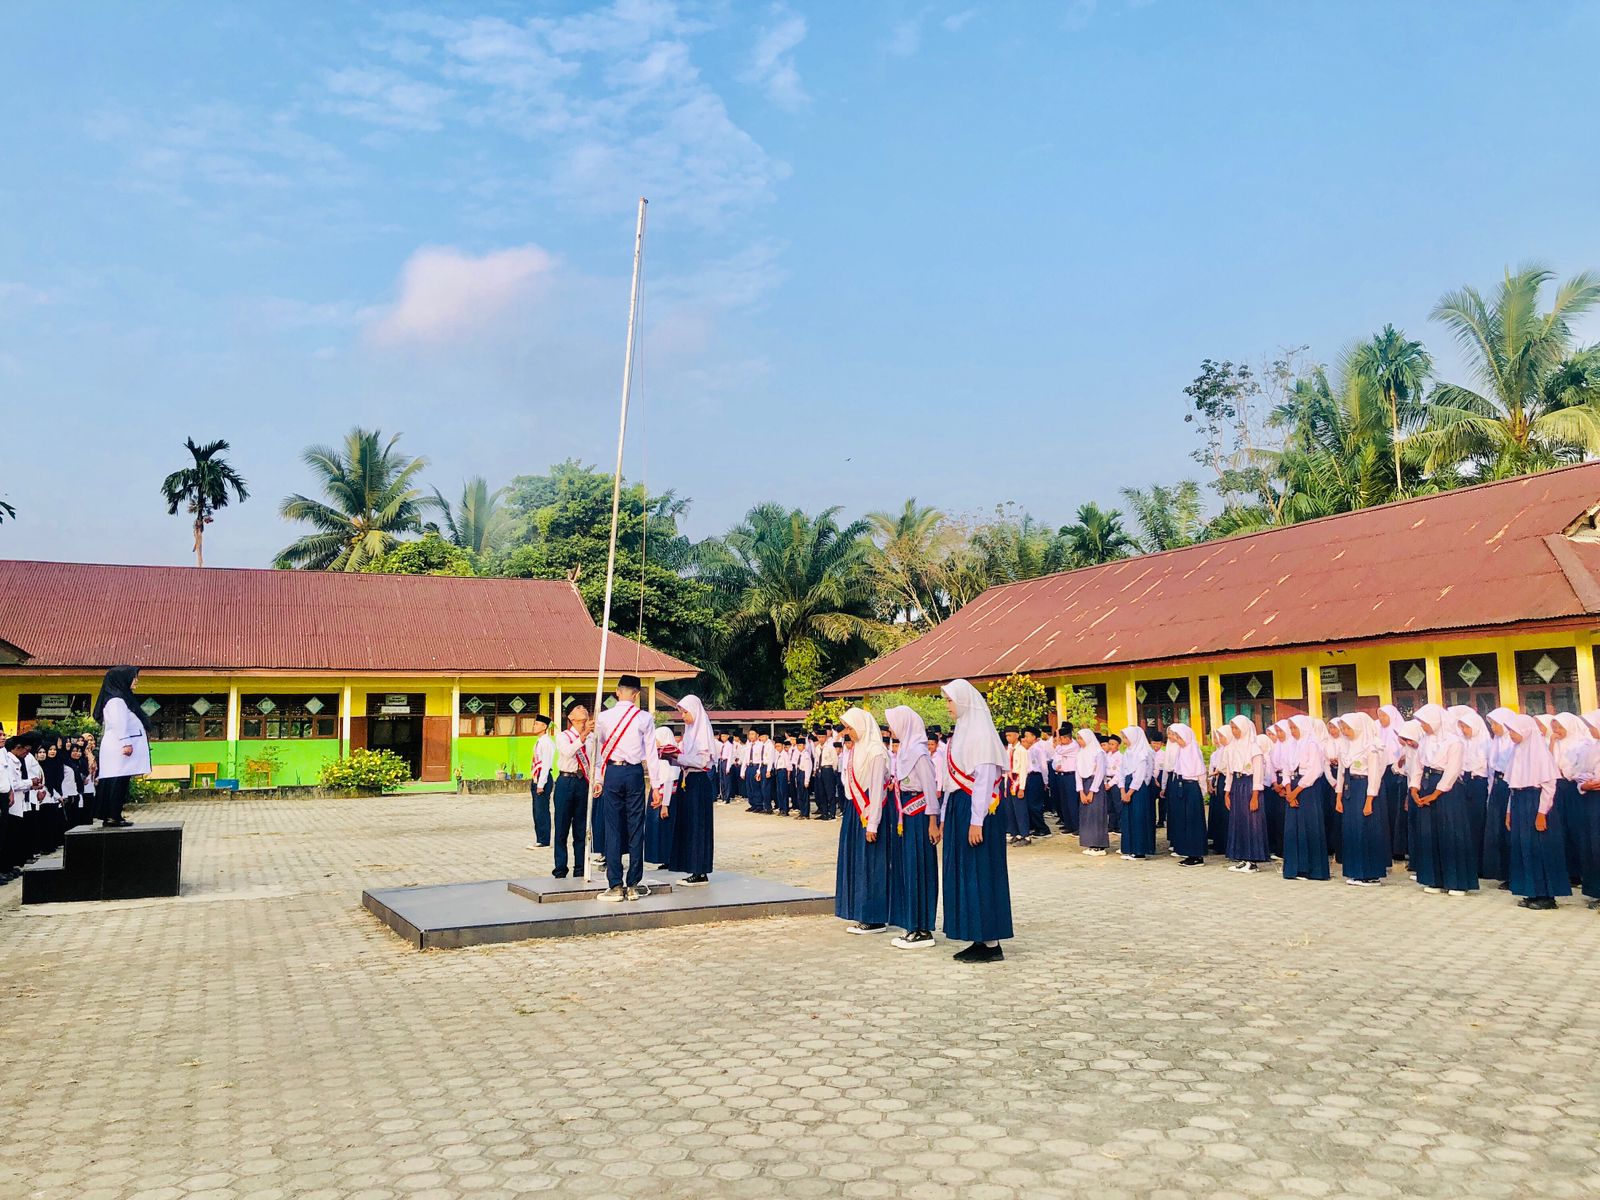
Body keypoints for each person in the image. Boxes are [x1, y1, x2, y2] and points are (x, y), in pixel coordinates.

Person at [939, 679, 1012, 963]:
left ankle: (991, 942)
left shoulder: (982, 735)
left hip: (977, 810)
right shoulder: (960, 734)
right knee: (964, 871)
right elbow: (949, 782)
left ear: (963, 701)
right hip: (960, 806)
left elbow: (982, 783)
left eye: (949, 700)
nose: (946, 707)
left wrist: (976, 821)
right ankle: (975, 934)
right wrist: (947, 815)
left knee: (981, 871)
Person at [590, 675, 658, 902]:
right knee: (636, 826)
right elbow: (652, 754)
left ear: (618, 692)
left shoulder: (604, 717)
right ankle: (633, 885)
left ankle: (615, 884)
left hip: (613, 772)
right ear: (637, 695)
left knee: (613, 827)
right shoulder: (645, 718)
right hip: (635, 773)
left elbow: (598, 752)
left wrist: (598, 779)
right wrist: (656, 786)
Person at [1497, 710, 1568, 910]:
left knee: (1540, 848)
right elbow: (1514, 785)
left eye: (1513, 731)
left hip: (1535, 803)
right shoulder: (1517, 752)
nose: (1511, 735)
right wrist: (1510, 812)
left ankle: (1546, 896)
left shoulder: (1540, 753)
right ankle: (1531, 891)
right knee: (1523, 847)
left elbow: (1548, 786)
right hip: (1520, 802)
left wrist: (1541, 813)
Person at [886, 706, 939, 949]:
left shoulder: (919, 752)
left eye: (894, 723)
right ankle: (911, 924)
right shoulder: (905, 750)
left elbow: (930, 788)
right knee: (908, 868)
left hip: (920, 816)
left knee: (919, 869)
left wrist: (932, 821)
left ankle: (922, 928)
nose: (891, 729)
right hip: (905, 815)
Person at [1410, 703, 1475, 896]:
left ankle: (1456, 882)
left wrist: (1436, 793)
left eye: (1425, 722)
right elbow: (1418, 765)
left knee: (1450, 833)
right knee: (1430, 833)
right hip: (1427, 783)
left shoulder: (1454, 742)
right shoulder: (1425, 742)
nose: (1423, 726)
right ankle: (1435, 878)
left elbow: (1452, 771)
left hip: (1448, 790)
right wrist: (1414, 787)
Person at [835, 706, 890, 935]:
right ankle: (859, 910)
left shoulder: (876, 751)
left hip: (869, 812)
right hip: (854, 811)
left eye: (850, 727)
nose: (848, 732)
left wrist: (873, 822)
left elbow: (877, 789)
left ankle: (874, 916)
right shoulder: (855, 750)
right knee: (856, 862)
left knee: (871, 864)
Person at [1333, 713, 1389, 886]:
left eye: (1348, 728)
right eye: (1343, 728)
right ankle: (1355, 871)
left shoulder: (1370, 747)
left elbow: (1374, 775)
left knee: (1366, 830)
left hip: (1364, 790)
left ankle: (1370, 874)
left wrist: (1369, 799)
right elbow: (1341, 773)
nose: (1345, 731)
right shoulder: (1345, 746)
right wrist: (1339, 798)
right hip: (1350, 789)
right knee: (1352, 830)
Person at [667, 695, 716, 885]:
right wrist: (670, 757)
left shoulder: (702, 734)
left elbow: (702, 762)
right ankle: (692, 867)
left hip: (698, 781)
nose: (683, 716)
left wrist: (679, 758)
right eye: (681, 712)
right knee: (688, 825)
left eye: (685, 712)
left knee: (698, 826)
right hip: (686, 780)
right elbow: (685, 758)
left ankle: (699, 870)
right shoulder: (689, 733)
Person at [94, 665, 150, 828]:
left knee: (121, 781)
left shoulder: (121, 698)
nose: (136, 681)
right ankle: (112, 816)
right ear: (122, 680)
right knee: (117, 781)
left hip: (120, 747)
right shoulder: (116, 700)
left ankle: (115, 814)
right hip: (120, 747)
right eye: (134, 677)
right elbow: (119, 723)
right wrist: (126, 742)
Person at [1281, 716, 1331, 881]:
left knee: (1309, 826)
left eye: (1295, 728)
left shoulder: (1312, 744)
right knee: (1292, 829)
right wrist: (1289, 790)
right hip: (1292, 788)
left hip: (1307, 789)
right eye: (1291, 728)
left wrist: (1296, 792)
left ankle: (1311, 869)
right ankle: (1294, 868)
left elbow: (1315, 770)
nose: (1293, 732)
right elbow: (1286, 769)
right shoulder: (1290, 745)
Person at [550, 704, 591, 879]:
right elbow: (567, 752)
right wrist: (582, 737)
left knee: (581, 828)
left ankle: (580, 867)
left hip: (583, 782)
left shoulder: (591, 738)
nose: (585, 723)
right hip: (565, 781)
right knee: (561, 827)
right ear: (572, 720)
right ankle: (560, 868)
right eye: (582, 720)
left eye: (587, 720)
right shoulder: (563, 736)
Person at [1224, 716, 1268, 872]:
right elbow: (1229, 771)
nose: (1234, 732)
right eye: (1232, 728)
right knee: (1239, 821)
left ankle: (1252, 860)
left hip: (1249, 785)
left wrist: (1255, 795)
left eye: (1237, 728)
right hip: (1237, 784)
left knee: (1252, 823)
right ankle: (1242, 857)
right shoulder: (1231, 747)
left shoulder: (1254, 748)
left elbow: (1258, 773)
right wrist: (1227, 792)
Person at [1164, 722, 1207, 866]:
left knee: (1193, 821)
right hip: (1181, 786)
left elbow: (1200, 773)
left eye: (1179, 737)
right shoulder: (1181, 751)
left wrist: (1202, 791)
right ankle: (1187, 852)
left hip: (1192, 787)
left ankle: (1197, 855)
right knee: (1184, 820)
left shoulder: (1193, 750)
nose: (1177, 740)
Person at [1117, 725, 1157, 860]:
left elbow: (1140, 777)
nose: (1124, 741)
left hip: (1138, 790)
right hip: (1127, 787)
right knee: (1128, 819)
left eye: (1126, 738)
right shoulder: (1127, 753)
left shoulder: (1142, 754)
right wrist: (1122, 790)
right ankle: (1129, 848)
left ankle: (1140, 851)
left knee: (1139, 819)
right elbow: (1120, 772)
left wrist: (1129, 793)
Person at [646, 726, 680, 868]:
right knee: (656, 828)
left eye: (657, 739)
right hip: (658, 793)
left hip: (665, 796)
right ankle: (662, 857)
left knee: (664, 828)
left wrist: (665, 804)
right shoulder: (661, 754)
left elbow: (669, 780)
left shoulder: (669, 755)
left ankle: (668, 858)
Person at [1075, 728, 1109, 856]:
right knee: (1086, 815)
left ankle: (1099, 845)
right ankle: (1089, 842)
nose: (1079, 741)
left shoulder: (1098, 752)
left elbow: (1100, 773)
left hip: (1095, 785)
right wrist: (1081, 791)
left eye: (1081, 738)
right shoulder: (1081, 753)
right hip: (1084, 785)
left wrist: (1092, 791)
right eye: (1078, 738)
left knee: (1096, 814)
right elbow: (1077, 772)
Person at [526, 712, 555, 851]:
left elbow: (546, 764)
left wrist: (541, 784)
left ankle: (544, 840)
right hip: (537, 778)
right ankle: (540, 838)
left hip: (543, 779)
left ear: (544, 727)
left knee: (542, 810)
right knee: (536, 810)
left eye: (537, 724)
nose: (534, 726)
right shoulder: (539, 741)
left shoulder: (547, 742)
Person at [1003, 727, 1030, 846]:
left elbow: (1024, 769)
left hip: (1018, 780)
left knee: (1020, 809)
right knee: (1010, 809)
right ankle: (1016, 833)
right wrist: (1004, 787)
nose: (1008, 738)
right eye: (1007, 736)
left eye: (1010, 735)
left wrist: (1022, 787)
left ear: (1017, 735)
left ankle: (1025, 835)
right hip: (1009, 779)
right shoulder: (1008, 750)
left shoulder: (1021, 750)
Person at [1050, 723, 1079, 834]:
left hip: (1071, 776)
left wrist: (1057, 739)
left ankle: (1076, 826)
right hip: (1062, 776)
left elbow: (1058, 750)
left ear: (1067, 737)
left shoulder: (1073, 746)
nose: (1060, 741)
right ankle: (1068, 824)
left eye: (1061, 738)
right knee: (1064, 802)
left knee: (1072, 802)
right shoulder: (1063, 746)